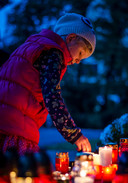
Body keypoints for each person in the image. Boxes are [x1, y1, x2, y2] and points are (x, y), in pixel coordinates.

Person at [0, 13, 96, 155]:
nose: (77, 61)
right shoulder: (53, 53)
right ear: (71, 38)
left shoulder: (33, 46)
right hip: (14, 130)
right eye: (80, 53)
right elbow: (52, 96)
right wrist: (75, 135)